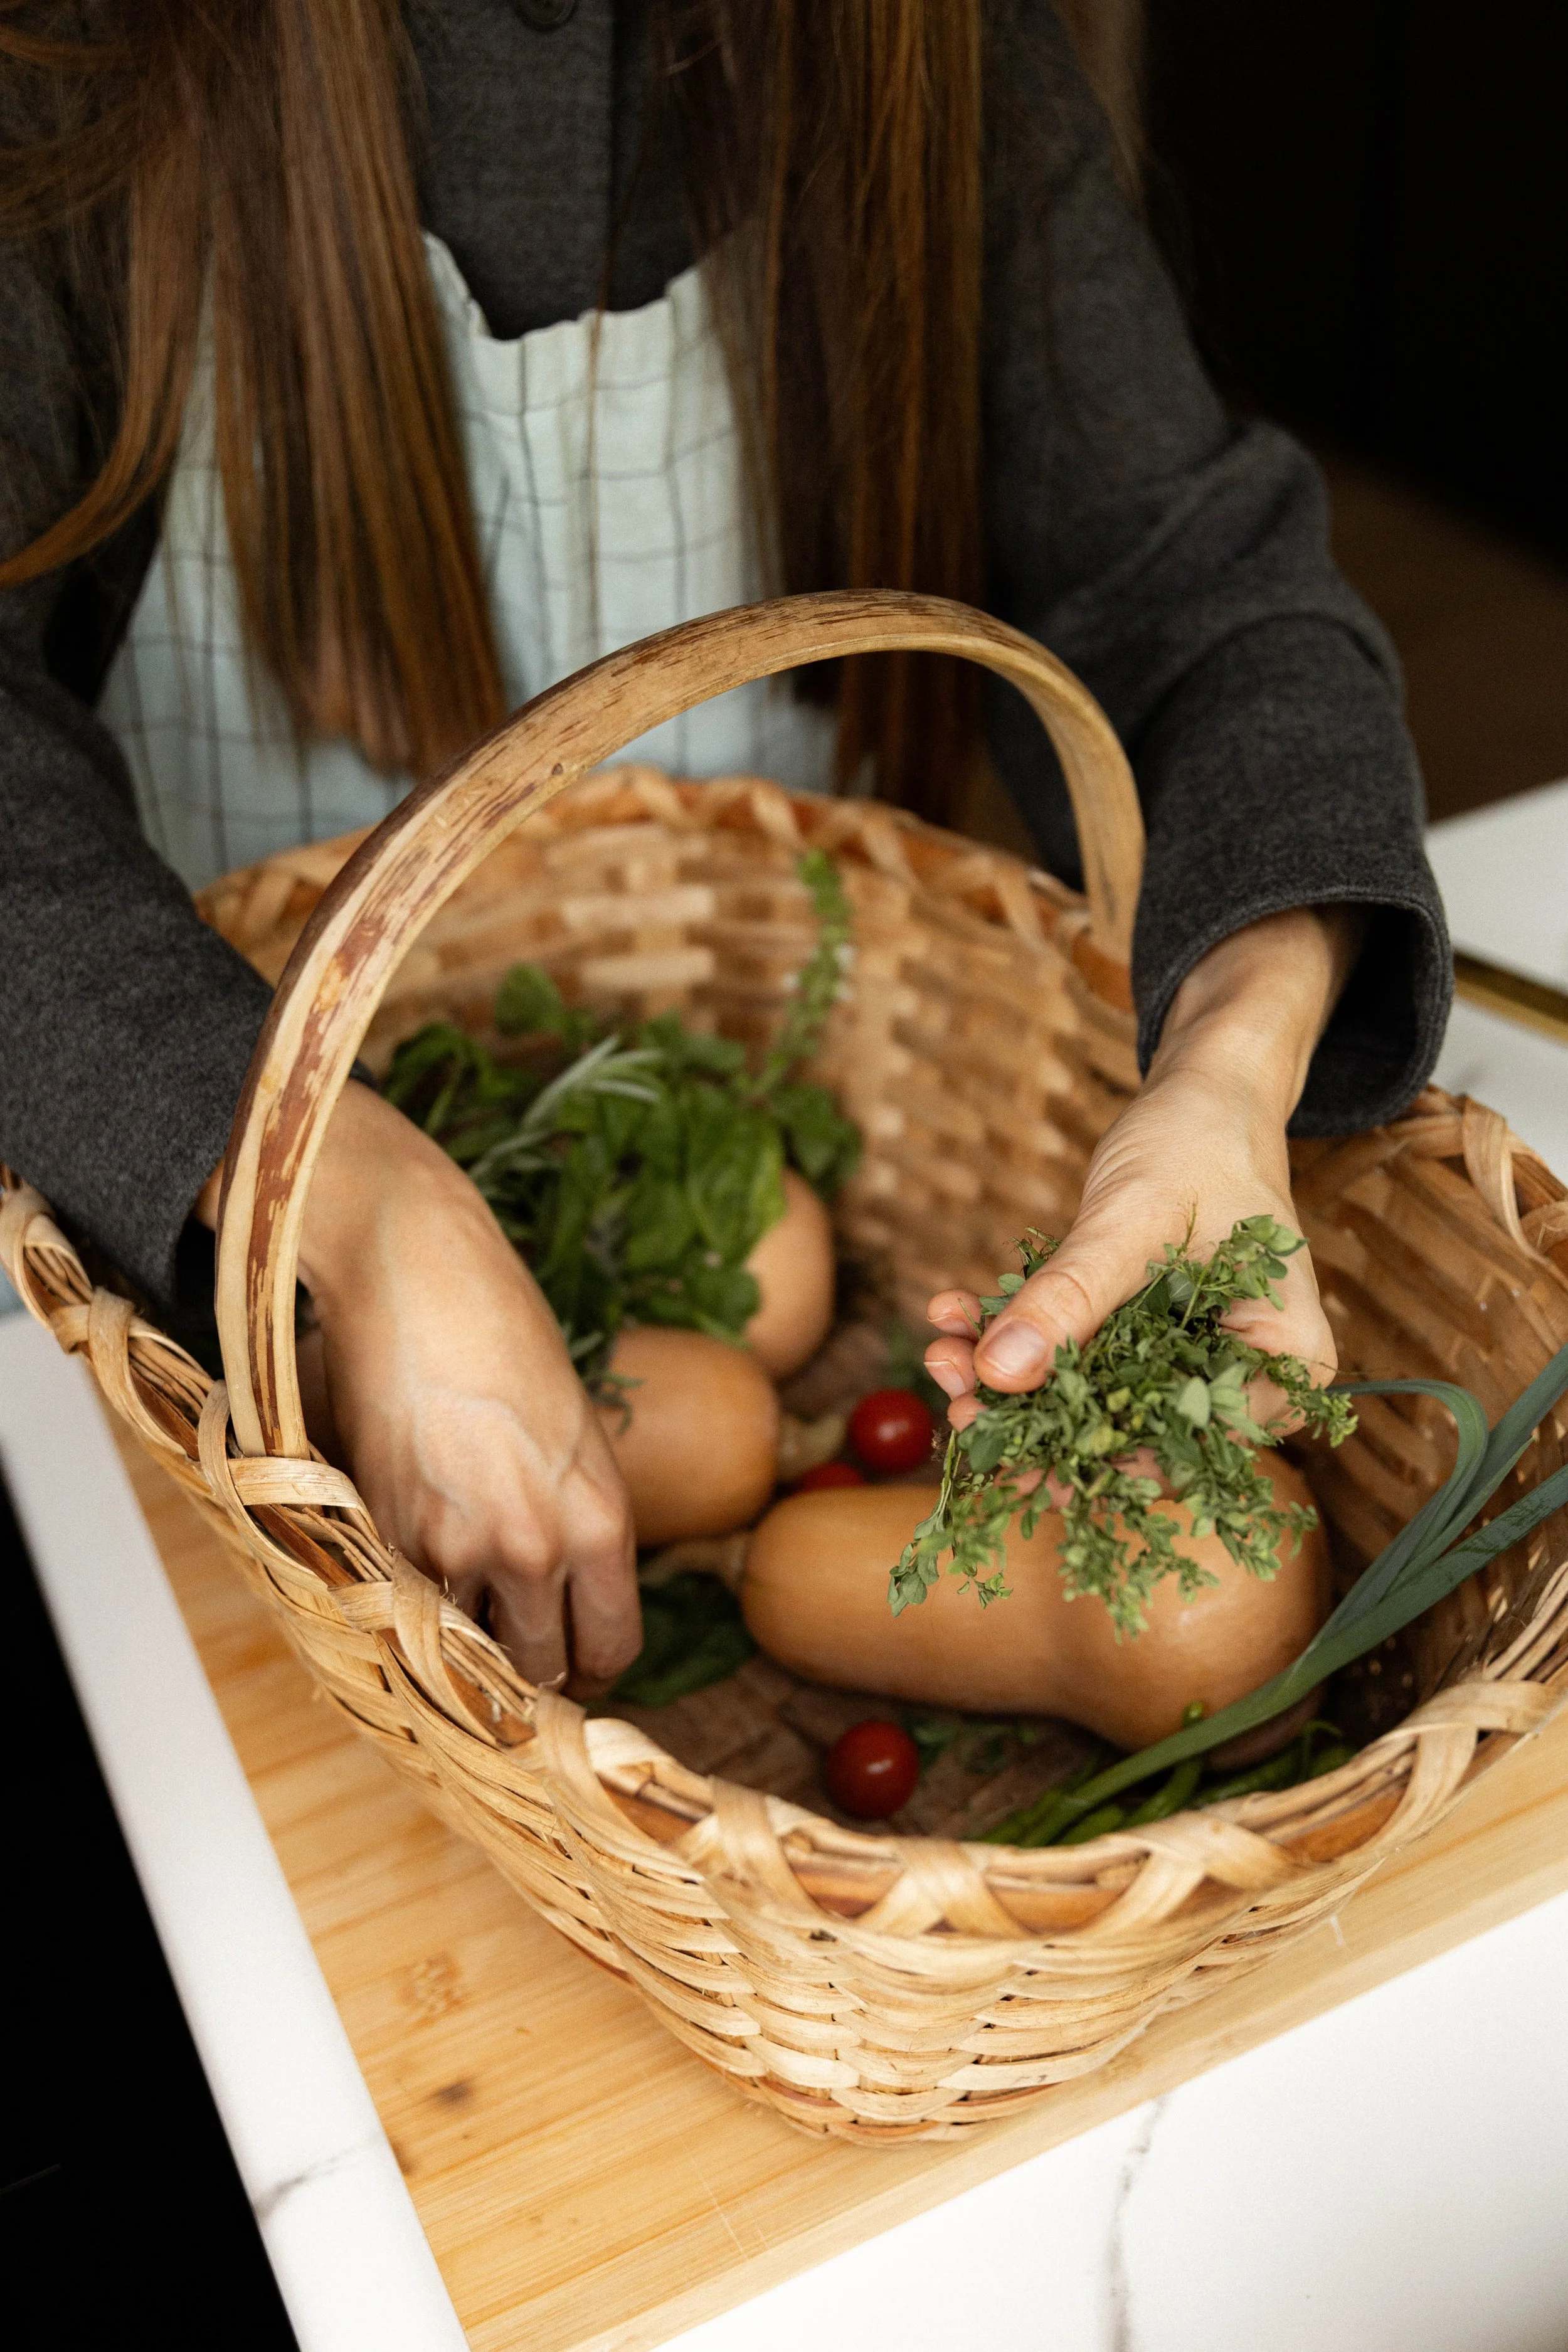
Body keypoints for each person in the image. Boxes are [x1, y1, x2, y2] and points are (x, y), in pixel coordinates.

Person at [0, 1, 1449, 1693]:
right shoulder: (77, 57)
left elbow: (1205, 599)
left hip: (780, 1076)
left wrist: (1226, 1062)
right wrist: (353, 1195)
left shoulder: (922, 47)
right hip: (165, 1249)